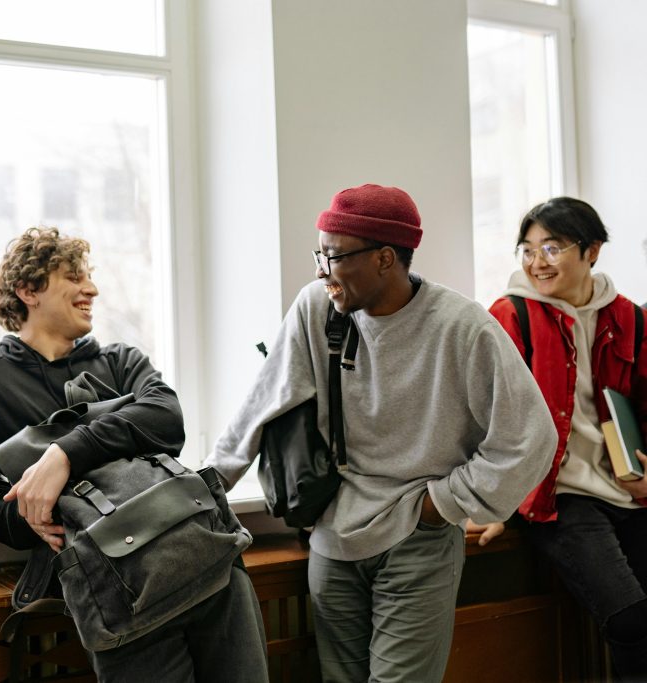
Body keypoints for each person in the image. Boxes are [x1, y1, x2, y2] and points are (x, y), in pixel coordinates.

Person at [206, 183, 557, 682]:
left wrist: (446, 503)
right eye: (319, 255)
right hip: (332, 538)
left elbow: (530, 436)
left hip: (419, 539)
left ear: (385, 258)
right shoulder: (317, 308)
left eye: (334, 257)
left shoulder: (462, 327)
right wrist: (201, 492)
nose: (321, 271)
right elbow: (261, 403)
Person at [0, 226, 268, 682]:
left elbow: (167, 418)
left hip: (209, 562)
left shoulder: (120, 361)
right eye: (74, 277)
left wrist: (63, 454)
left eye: (89, 277)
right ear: (28, 290)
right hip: (116, 590)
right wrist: (34, 521)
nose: (91, 288)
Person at [484, 197, 647, 681]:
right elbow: (484, 415)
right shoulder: (510, 315)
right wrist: (492, 502)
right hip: (558, 496)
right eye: (528, 249)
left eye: (552, 248)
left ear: (592, 251)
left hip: (628, 489)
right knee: (631, 619)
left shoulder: (631, 318)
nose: (537, 262)